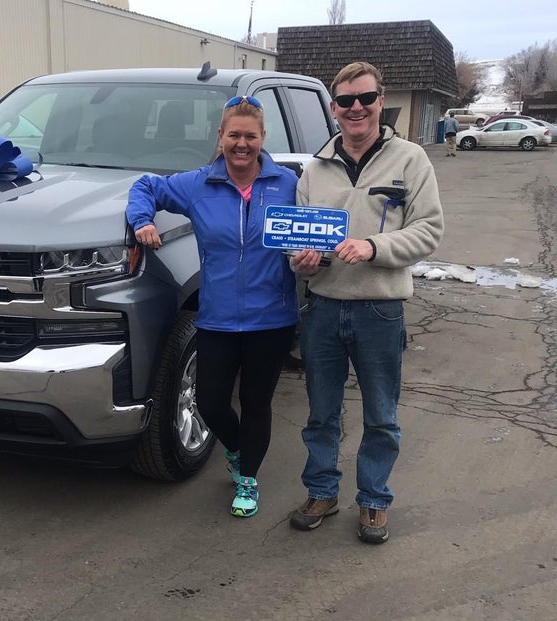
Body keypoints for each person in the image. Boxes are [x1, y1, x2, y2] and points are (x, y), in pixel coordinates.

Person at [287, 62, 444, 543]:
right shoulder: (315, 169)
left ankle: (374, 500)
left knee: (381, 412)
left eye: (366, 98)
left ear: (381, 102)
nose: (356, 108)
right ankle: (322, 491)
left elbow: (429, 230)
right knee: (321, 412)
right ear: (334, 108)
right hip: (324, 307)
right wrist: (304, 261)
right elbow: (297, 241)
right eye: (346, 101)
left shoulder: (411, 160)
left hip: (379, 309)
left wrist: (375, 248)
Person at [126, 96, 301, 518]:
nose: (242, 144)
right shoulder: (198, 184)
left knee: (258, 403)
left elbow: (322, 220)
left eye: (251, 136)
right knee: (209, 401)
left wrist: (314, 252)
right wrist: (142, 221)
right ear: (220, 137)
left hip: (271, 319)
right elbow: (144, 186)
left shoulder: (289, 184)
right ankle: (239, 448)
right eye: (234, 135)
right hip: (218, 317)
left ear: (263, 139)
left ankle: (248, 480)